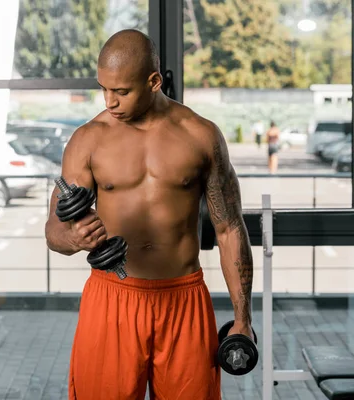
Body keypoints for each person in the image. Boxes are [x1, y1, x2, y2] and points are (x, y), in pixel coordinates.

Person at [44, 29, 254, 400]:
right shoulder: (87, 139)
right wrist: (73, 238)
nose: (109, 101)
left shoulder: (201, 136)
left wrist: (243, 318)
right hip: (112, 298)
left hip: (183, 299)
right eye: (104, 89)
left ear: (154, 81)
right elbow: (54, 232)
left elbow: (229, 229)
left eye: (121, 91)